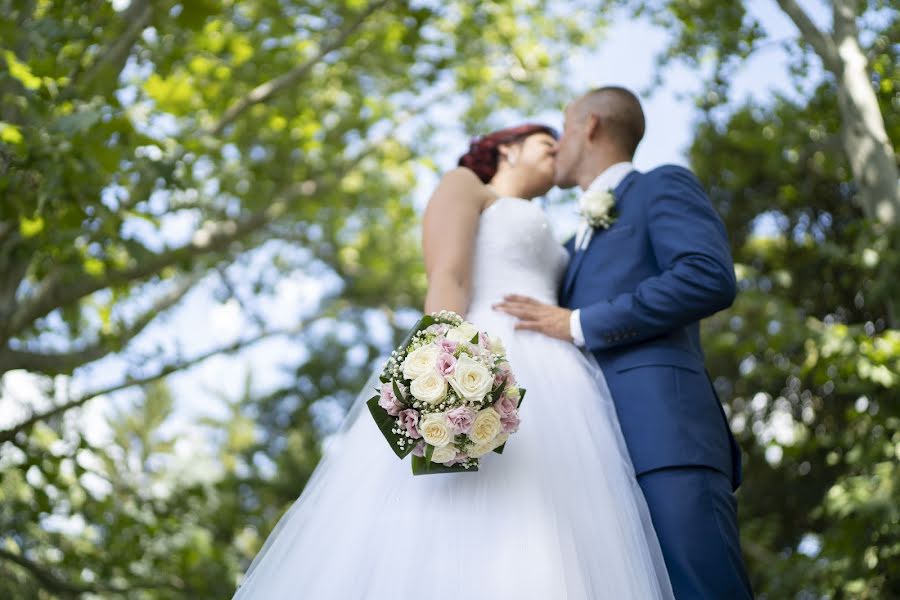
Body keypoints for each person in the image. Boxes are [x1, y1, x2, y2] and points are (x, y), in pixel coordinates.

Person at [232, 122, 674, 599]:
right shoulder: (465, 185)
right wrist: (441, 368)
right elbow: (448, 273)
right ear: (508, 148)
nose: (558, 153)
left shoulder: (553, 225)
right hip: (483, 355)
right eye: (548, 144)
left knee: (552, 519)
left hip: (561, 382)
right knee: (452, 517)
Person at [495, 86, 754, 599]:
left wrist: (577, 322)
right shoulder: (568, 248)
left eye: (563, 129)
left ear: (589, 126)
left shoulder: (661, 185)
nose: (558, 145)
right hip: (589, 455)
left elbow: (707, 276)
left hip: (665, 438)